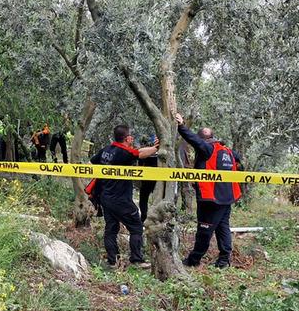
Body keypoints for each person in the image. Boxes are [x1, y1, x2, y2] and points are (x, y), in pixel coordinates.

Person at [175, 113, 242, 268]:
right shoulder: (228, 151)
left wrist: (181, 126)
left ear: (203, 140)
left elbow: (193, 140)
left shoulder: (207, 149)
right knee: (223, 228)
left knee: (204, 231)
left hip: (211, 199)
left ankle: (194, 260)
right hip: (227, 198)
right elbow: (239, 161)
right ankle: (224, 260)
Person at [90, 125, 159, 268]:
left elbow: (93, 160)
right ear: (127, 138)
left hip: (105, 197)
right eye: (131, 136)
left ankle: (113, 261)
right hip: (120, 199)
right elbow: (139, 154)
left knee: (111, 229)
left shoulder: (106, 150)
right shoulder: (123, 152)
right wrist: (156, 148)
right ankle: (137, 260)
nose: (132, 139)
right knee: (136, 227)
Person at [138, 133, 158, 222]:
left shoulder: (164, 151)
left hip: (156, 178)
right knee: (144, 198)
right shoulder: (145, 151)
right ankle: (144, 217)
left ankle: (145, 217)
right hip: (148, 178)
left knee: (145, 198)